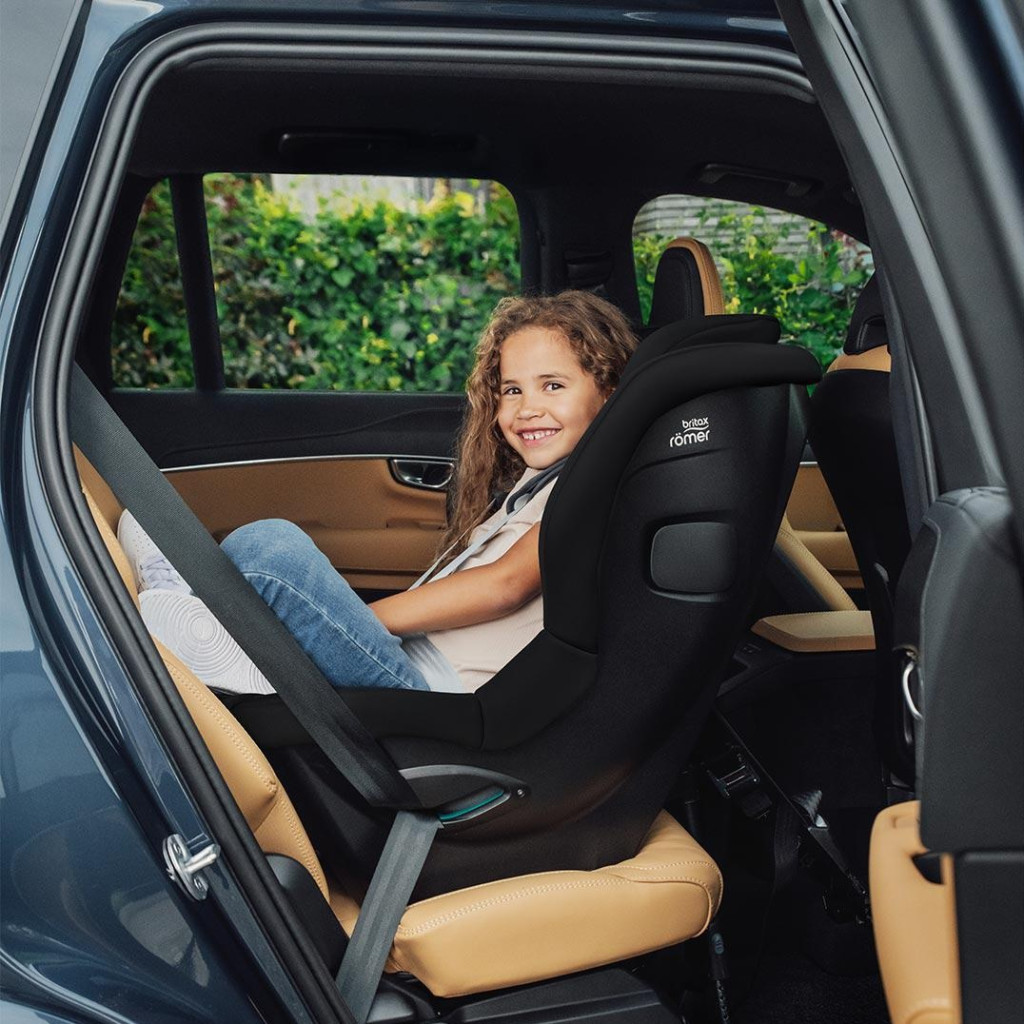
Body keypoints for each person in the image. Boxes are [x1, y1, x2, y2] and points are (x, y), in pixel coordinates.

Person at [119, 291, 637, 695]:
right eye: (512, 390)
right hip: (410, 666)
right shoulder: (546, 481)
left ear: (610, 393)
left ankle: (211, 624)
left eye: (553, 386)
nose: (527, 409)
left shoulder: (592, 493)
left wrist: (348, 625)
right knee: (269, 547)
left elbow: (504, 586)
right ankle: (213, 623)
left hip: (431, 694)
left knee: (272, 549)